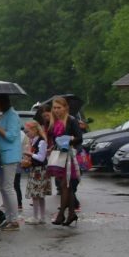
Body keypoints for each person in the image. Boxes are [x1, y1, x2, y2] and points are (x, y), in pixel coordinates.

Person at [46, 96, 84, 227]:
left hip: (69, 156)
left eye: (59, 107)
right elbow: (55, 139)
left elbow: (80, 138)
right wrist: (52, 146)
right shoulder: (54, 122)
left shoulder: (71, 120)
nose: (56, 110)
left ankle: (61, 214)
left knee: (65, 185)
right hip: (59, 155)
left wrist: (68, 139)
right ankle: (71, 213)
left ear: (65, 108)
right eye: (54, 108)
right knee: (66, 186)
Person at [0, 94, 23, 231]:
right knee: (3, 188)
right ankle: (8, 218)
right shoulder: (3, 116)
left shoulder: (13, 116)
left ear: (1, 102)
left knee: (8, 187)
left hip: (10, 156)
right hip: (1, 156)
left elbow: (11, 136)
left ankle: (14, 220)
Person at [21, 119, 52, 225]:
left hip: (40, 170)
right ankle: (41, 217)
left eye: (28, 131)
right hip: (36, 169)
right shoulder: (33, 141)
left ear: (34, 130)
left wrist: (30, 154)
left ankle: (36, 217)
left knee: (36, 195)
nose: (27, 134)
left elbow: (41, 158)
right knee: (39, 195)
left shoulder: (41, 141)